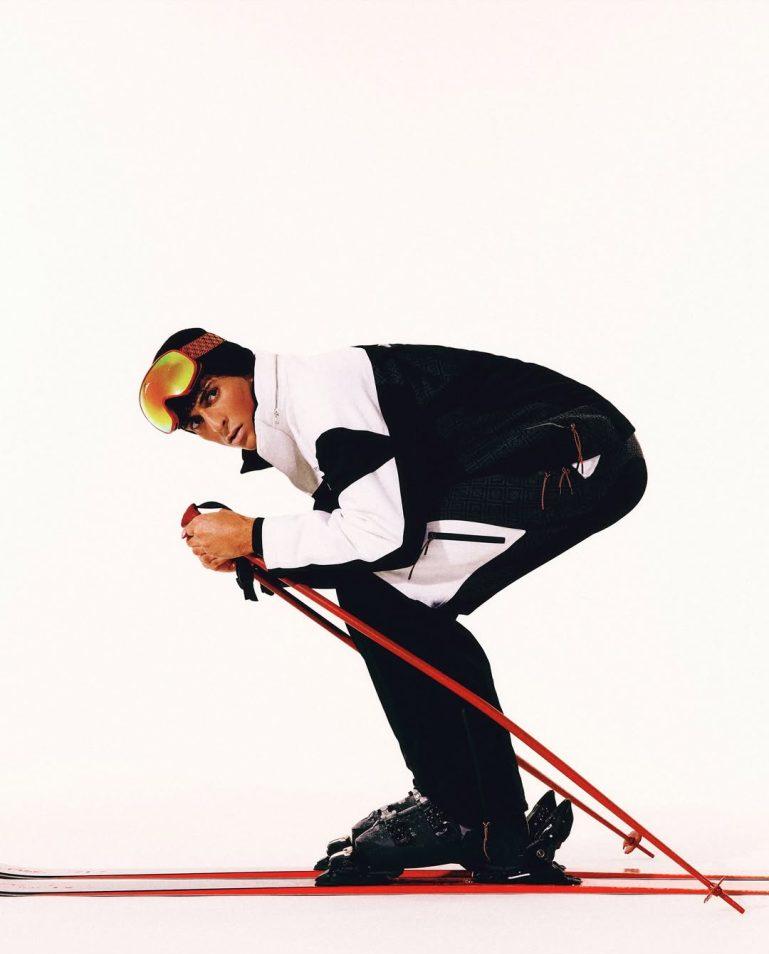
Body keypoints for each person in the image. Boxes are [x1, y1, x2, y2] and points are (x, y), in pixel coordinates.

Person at [139, 328, 647, 885]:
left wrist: (255, 537)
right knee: (386, 597)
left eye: (212, 396)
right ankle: (480, 821)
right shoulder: (298, 408)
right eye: (195, 423)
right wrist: (259, 552)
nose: (214, 425)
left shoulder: (318, 396)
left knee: (385, 595)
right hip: (556, 454)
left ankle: (463, 815)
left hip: (575, 456)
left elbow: (382, 535)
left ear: (245, 368)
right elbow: (359, 532)